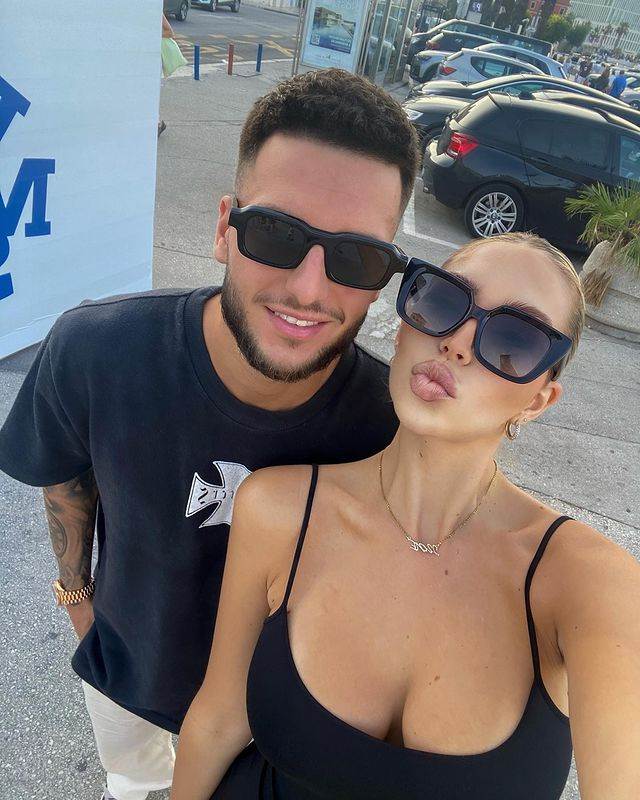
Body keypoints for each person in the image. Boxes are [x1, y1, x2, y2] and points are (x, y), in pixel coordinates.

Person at [0, 69, 419, 800]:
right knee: (130, 783)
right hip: (124, 674)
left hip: (275, 723)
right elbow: (64, 475)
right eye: (277, 233)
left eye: (357, 256)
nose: (310, 289)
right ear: (225, 228)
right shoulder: (95, 350)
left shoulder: (393, 426)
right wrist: (78, 602)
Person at [171, 233, 640, 799]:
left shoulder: (587, 582)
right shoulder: (278, 510)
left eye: (514, 339)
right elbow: (218, 721)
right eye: (443, 302)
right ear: (403, 329)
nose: (457, 343)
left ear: (538, 400)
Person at [159, 13, 174, 137]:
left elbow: (169, 32)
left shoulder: (157, 12)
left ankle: (157, 125)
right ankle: (157, 124)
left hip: (153, 61)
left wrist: (151, 35)